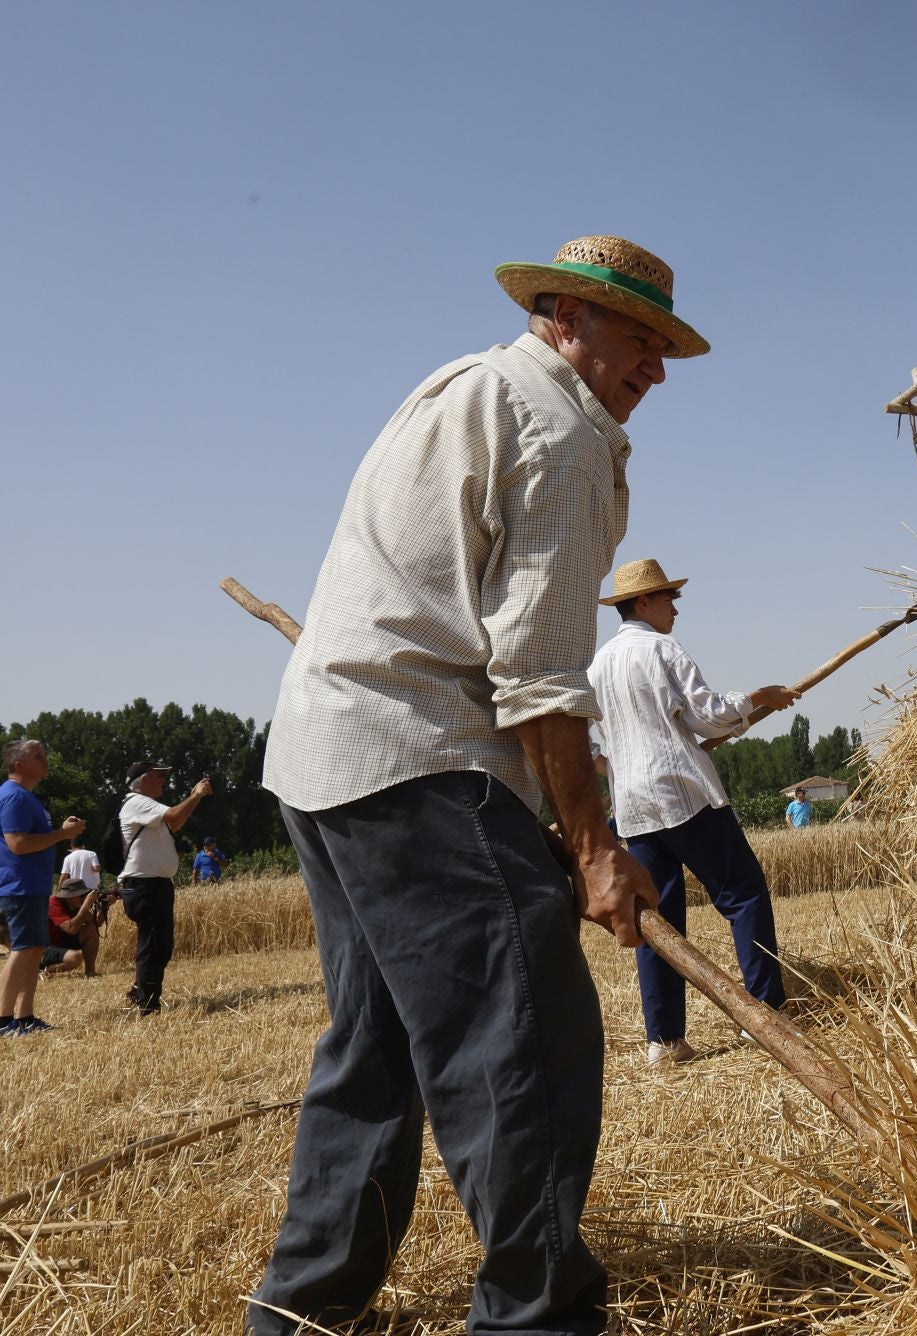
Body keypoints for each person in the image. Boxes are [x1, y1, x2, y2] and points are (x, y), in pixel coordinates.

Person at [250, 236, 703, 1336]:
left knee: (378, 1043)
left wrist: (549, 808)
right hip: (421, 756)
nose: (654, 366)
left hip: (326, 753)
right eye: (636, 337)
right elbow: (543, 678)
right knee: (527, 1038)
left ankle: (303, 1309)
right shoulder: (561, 433)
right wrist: (594, 847)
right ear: (562, 316)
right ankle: (534, 1317)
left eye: (663, 345)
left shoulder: (464, 383)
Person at [587, 559, 798, 1067]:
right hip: (683, 794)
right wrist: (760, 697)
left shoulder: (597, 667)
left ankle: (664, 1041)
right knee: (743, 893)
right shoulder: (660, 649)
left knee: (657, 922)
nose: (675, 609)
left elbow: (592, 751)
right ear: (643, 603)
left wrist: (624, 765)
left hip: (634, 807)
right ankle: (765, 1017)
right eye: (668, 599)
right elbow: (707, 714)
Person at [0, 739, 85, 1035]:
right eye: (39, 757)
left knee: (34, 949)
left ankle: (24, 1017)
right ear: (19, 765)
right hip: (18, 886)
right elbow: (18, 844)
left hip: (31, 886)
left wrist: (59, 832)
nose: (45, 760)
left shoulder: (27, 797)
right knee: (23, 949)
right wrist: (62, 834)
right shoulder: (15, 797)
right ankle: (3, 1020)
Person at [119, 760, 212, 1014]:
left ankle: (142, 991)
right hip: (144, 886)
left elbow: (175, 821)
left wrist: (196, 798)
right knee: (152, 943)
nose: (164, 781)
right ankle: (147, 1003)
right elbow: (173, 815)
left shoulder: (146, 808)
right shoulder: (137, 802)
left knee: (160, 944)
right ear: (145, 779)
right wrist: (196, 794)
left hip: (153, 885)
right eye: (159, 776)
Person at [52, 834, 108, 977]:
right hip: (48, 946)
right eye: (81, 895)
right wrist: (86, 904)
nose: (83, 897)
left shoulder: (68, 858)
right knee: (75, 957)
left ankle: (90, 971)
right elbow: (71, 929)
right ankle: (44, 969)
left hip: (62, 942)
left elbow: (95, 925)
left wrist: (107, 905)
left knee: (89, 931)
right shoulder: (54, 903)